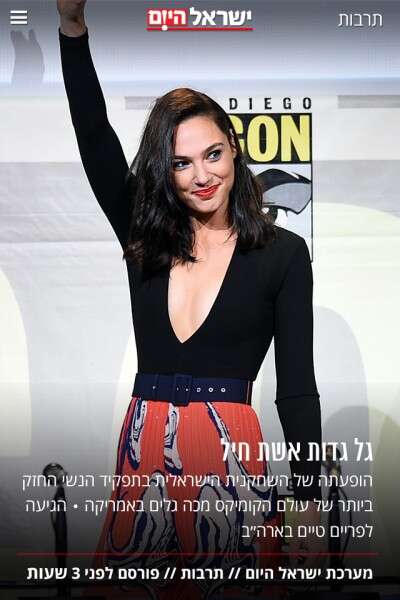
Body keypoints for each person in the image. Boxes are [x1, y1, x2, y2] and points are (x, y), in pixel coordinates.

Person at [57, 1, 323, 598]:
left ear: (234, 148)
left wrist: (306, 495)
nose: (202, 176)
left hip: (231, 454)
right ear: (165, 171)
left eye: (212, 154)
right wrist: (72, 31)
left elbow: (297, 388)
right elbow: (95, 137)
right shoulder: (143, 235)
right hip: (142, 449)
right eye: (181, 163)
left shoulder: (282, 254)